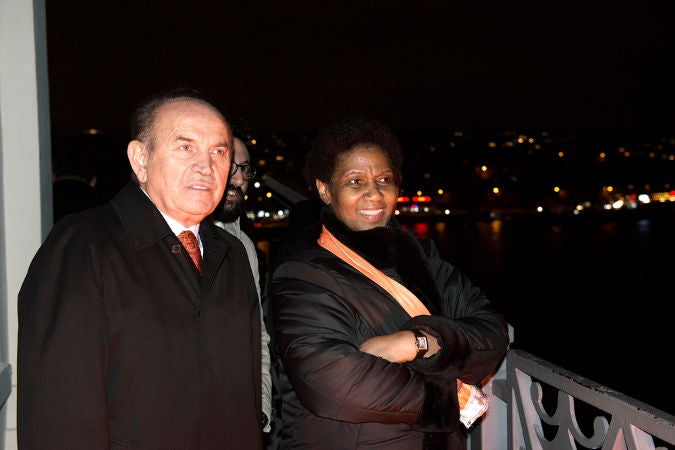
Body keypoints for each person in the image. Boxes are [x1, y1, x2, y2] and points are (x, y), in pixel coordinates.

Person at [18, 89, 264, 449]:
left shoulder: (231, 253)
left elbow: (243, 393)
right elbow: (59, 410)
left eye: (219, 151)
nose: (206, 166)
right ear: (140, 159)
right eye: (185, 147)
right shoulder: (83, 247)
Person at [268, 117, 510, 449]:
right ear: (325, 190)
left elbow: (491, 331)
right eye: (355, 181)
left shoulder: (422, 257)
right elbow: (332, 380)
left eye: (384, 179)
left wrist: (418, 342)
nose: (374, 192)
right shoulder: (301, 273)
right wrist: (449, 397)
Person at [212, 133, 273, 434]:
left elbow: (257, 335)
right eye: (227, 164)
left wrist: (260, 409)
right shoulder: (173, 240)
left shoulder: (245, 247)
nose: (237, 179)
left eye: (244, 169)